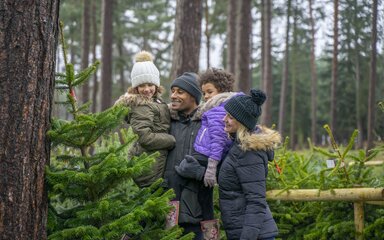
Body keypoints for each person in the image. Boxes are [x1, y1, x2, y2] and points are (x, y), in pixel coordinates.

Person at [219, 89, 281, 240]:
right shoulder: (238, 147)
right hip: (244, 230)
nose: (224, 119)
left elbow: (256, 201)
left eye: (230, 117)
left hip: (253, 235)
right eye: (226, 114)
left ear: (242, 122)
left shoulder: (249, 152)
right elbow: (233, 179)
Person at [163, 72, 213, 239]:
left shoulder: (207, 124)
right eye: (172, 91)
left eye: (180, 92)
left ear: (193, 96)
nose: (173, 96)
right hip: (169, 202)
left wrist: (198, 171)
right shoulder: (166, 122)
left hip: (200, 205)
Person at [114, 51, 175, 188]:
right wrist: (171, 140)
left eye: (150, 85)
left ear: (156, 85)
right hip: (150, 167)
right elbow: (145, 138)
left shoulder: (154, 101)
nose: (147, 89)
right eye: (142, 86)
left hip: (155, 162)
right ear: (135, 88)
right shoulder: (141, 105)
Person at [193, 68, 242, 187]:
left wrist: (211, 168)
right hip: (205, 154)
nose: (205, 96)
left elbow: (218, 139)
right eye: (204, 93)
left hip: (208, 157)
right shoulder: (215, 107)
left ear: (222, 90)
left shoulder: (219, 110)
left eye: (210, 92)